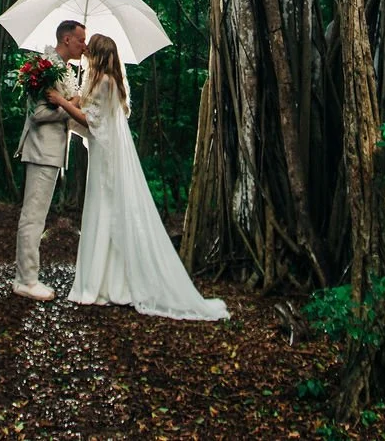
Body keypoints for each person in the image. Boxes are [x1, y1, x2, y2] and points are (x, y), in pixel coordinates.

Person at [61, 33, 228, 320]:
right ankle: (106, 279)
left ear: (98, 53)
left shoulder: (104, 82)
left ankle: (108, 283)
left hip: (107, 160)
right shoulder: (102, 81)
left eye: (90, 47)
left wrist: (62, 104)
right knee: (103, 210)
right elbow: (91, 117)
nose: (85, 49)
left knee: (105, 210)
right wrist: (74, 98)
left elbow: (90, 121)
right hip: (104, 154)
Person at [12, 19, 87, 300]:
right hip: (41, 150)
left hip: (53, 152)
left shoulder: (64, 69)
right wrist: (72, 106)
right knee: (33, 217)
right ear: (67, 39)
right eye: (81, 40)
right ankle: (26, 280)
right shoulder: (43, 66)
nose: (84, 45)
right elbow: (38, 114)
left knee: (39, 216)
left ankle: (28, 275)